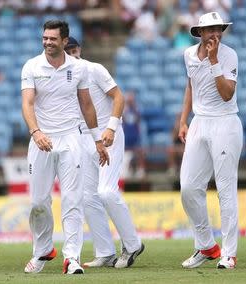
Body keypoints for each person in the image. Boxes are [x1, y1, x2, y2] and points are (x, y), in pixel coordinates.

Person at [21, 20, 109, 275]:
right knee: (38, 202)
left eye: (53, 39)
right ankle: (43, 249)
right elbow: (27, 103)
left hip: (71, 139)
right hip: (42, 140)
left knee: (72, 200)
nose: (48, 42)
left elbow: (87, 104)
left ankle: (72, 258)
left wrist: (96, 139)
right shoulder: (32, 66)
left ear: (64, 41)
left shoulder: (78, 68)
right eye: (45, 38)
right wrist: (36, 132)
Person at [65, 37, 145, 269]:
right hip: (83, 138)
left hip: (107, 134)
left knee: (106, 192)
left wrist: (110, 127)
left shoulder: (94, 69)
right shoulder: (61, 77)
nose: (72, 54)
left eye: (74, 49)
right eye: (67, 50)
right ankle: (105, 252)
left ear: (79, 49)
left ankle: (133, 244)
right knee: (88, 197)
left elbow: (118, 97)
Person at [179, 12, 242, 269]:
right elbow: (191, 86)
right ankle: (206, 245)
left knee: (225, 190)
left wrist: (215, 61)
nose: (216, 34)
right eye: (210, 30)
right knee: (188, 188)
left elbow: (227, 94)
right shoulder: (189, 55)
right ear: (200, 33)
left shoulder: (229, 55)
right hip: (199, 122)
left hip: (225, 122)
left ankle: (229, 253)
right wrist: (183, 120)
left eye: (219, 29)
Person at [122, 91, 146, 179]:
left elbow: (138, 119)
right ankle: (127, 170)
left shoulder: (137, 109)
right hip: (126, 135)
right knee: (125, 153)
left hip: (135, 135)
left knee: (139, 152)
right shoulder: (124, 110)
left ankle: (140, 170)